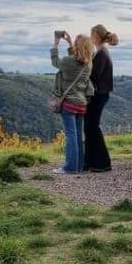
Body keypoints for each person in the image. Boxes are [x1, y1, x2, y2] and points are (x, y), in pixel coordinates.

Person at [50, 32, 95, 174]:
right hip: (82, 104)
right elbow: (76, 59)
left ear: (77, 46)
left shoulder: (69, 62)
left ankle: (70, 167)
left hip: (69, 104)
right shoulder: (89, 64)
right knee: (77, 136)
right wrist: (69, 43)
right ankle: (79, 166)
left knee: (71, 136)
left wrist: (56, 43)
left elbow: (56, 62)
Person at [84, 24, 118, 172]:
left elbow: (93, 76)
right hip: (101, 94)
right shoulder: (102, 52)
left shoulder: (102, 54)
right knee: (90, 127)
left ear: (96, 36)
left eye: (91, 35)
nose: (90, 38)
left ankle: (102, 163)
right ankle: (92, 161)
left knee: (92, 127)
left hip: (98, 95)